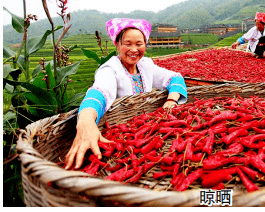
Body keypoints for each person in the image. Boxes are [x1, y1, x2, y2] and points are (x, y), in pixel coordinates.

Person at [65, 18, 187, 170]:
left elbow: (175, 78)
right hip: (122, 132)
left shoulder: (146, 65)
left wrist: (171, 100)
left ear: (145, 44)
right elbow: (99, 93)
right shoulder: (110, 69)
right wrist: (86, 121)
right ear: (117, 44)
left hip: (146, 131)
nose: (134, 49)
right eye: (127, 44)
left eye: (139, 44)